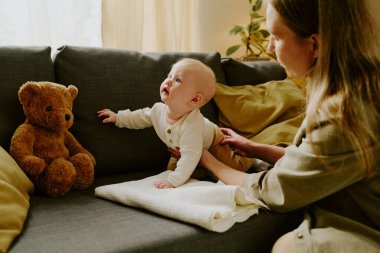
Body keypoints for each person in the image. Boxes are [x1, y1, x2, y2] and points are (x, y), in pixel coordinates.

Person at [198, 0, 380, 252]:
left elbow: (274, 190)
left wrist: (206, 160)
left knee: (290, 247)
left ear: (314, 45)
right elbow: (320, 160)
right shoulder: (360, 86)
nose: (270, 48)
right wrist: (256, 148)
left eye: (276, 37)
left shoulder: (344, 114)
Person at [97, 58, 255, 189]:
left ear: (195, 99)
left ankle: (253, 159)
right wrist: (118, 118)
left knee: (234, 166)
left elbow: (191, 155)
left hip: (214, 141)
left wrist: (173, 182)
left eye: (178, 80)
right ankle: (203, 171)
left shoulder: (191, 125)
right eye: (169, 76)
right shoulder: (158, 110)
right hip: (182, 149)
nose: (168, 81)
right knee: (172, 170)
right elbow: (140, 117)